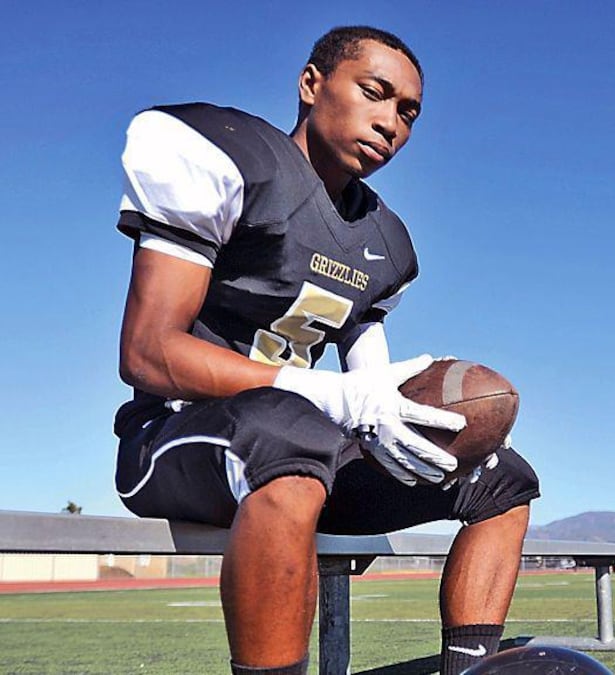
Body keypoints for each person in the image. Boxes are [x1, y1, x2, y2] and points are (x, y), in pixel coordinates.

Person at [112, 26, 540, 675]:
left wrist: (394, 414)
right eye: (375, 92)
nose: (391, 123)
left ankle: (468, 669)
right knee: (292, 429)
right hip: (175, 439)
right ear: (312, 84)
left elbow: (368, 390)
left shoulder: (383, 240)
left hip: (302, 456)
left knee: (498, 474)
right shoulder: (232, 159)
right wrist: (329, 393)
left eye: (408, 112)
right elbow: (147, 352)